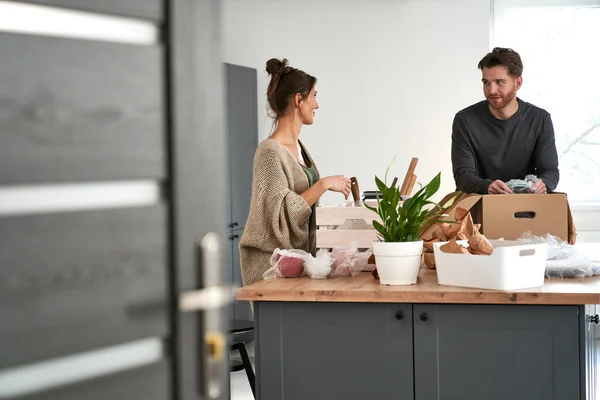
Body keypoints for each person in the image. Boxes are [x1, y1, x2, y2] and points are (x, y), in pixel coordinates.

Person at [239, 58, 351, 288]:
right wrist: (323, 185)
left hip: (294, 266)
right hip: (271, 271)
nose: (317, 105)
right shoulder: (269, 152)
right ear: (299, 99)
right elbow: (278, 216)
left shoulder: (300, 149)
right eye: (314, 96)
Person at [451, 47, 559, 195]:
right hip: (481, 205)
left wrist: (543, 184)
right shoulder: (465, 120)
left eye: (500, 82)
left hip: (527, 207)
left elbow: (550, 171)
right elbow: (462, 176)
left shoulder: (540, 119)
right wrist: (486, 186)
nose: (491, 90)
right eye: (486, 82)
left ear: (518, 83)